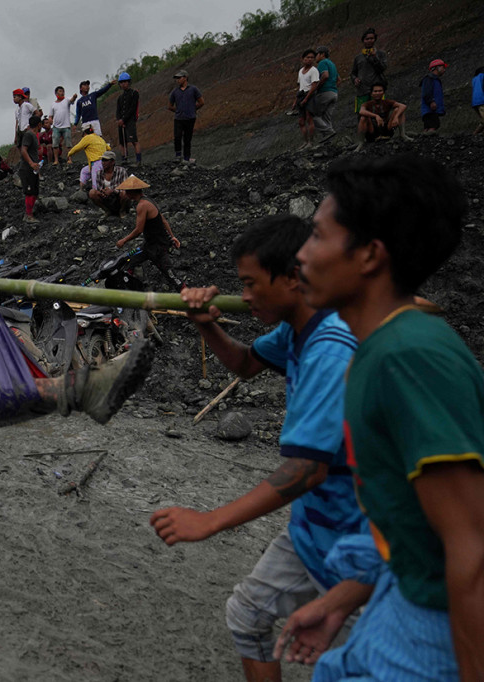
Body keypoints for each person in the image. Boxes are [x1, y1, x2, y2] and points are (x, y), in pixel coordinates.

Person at [277, 154, 483, 681]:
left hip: (434, 628)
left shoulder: (409, 359)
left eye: (317, 237)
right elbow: (420, 527)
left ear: (369, 255)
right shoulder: (378, 346)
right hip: (404, 592)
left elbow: (472, 548)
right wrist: (344, 601)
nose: (300, 255)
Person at [152, 214, 365, 682]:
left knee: (360, 661)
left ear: (293, 277)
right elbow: (246, 364)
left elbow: (305, 470)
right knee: (249, 616)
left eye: (249, 284)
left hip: (365, 540)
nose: (244, 296)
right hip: (315, 530)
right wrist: (205, 324)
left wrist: (209, 521)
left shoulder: (332, 349)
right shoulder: (296, 330)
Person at [113, 176, 183, 290]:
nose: (124, 193)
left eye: (126, 191)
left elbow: (139, 230)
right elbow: (163, 220)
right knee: (130, 262)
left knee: (171, 276)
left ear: (131, 192)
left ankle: (189, 297)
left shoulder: (142, 205)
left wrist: (124, 240)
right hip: (149, 245)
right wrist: (172, 237)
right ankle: (133, 289)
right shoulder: (148, 200)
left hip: (157, 247)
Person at [355, 84, 410, 150]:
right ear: (371, 93)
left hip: (386, 130)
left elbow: (403, 106)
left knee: (398, 110)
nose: (377, 93)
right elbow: (361, 111)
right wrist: (376, 116)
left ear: (383, 92)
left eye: (380, 91)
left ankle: (402, 134)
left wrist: (396, 117)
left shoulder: (387, 102)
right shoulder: (367, 104)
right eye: (375, 91)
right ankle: (360, 142)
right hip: (372, 132)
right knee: (363, 117)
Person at [167, 70, 204, 163]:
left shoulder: (193, 89)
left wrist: (192, 108)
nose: (177, 80)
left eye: (179, 78)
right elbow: (170, 106)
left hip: (190, 118)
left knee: (187, 138)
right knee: (177, 136)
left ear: (185, 77)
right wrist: (178, 110)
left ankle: (187, 158)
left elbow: (201, 102)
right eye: (177, 78)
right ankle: (178, 156)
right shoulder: (175, 92)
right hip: (178, 118)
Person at [350, 28, 387, 116]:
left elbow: (382, 68)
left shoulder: (381, 54)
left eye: (372, 38)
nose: (369, 41)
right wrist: (355, 79)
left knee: (380, 114)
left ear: (375, 40)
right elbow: (353, 73)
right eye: (367, 39)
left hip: (377, 91)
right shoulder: (358, 57)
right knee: (362, 115)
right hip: (362, 90)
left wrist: (375, 58)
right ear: (363, 40)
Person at [307, 46, 339, 144]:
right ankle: (329, 142)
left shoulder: (322, 63)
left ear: (322, 54)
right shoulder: (332, 64)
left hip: (324, 92)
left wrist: (317, 87)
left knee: (314, 115)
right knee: (326, 118)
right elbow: (339, 80)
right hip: (334, 93)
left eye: (316, 55)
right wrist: (332, 87)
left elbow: (325, 75)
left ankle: (329, 132)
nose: (315, 58)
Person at [67, 123, 111, 190]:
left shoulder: (87, 138)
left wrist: (69, 154)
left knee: (96, 187)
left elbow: (77, 147)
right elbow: (108, 148)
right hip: (105, 163)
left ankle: (95, 195)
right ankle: (81, 189)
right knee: (84, 171)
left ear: (85, 132)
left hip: (96, 163)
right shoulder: (99, 138)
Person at [87, 151, 130, 216]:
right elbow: (99, 188)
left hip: (118, 198)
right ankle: (107, 210)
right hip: (107, 198)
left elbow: (126, 187)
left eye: (106, 160)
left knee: (125, 193)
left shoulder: (121, 171)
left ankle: (122, 211)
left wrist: (112, 191)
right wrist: (103, 192)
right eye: (102, 160)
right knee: (92, 192)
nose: (103, 163)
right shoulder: (99, 173)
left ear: (112, 162)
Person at [18, 115, 42, 223]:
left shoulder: (33, 135)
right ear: (39, 125)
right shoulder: (29, 135)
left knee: (35, 191)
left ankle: (30, 212)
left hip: (33, 169)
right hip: (27, 168)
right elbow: (23, 150)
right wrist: (31, 163)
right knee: (30, 192)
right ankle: (28, 215)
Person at [115, 72, 142, 165]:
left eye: (125, 82)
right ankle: (124, 159)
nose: (123, 84)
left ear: (129, 82)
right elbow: (118, 110)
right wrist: (118, 119)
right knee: (122, 142)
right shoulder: (120, 97)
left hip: (130, 120)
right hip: (121, 122)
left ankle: (138, 160)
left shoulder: (134, 93)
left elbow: (133, 108)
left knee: (134, 140)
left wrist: (124, 119)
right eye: (121, 82)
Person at [296, 50, 319, 149]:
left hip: (309, 95)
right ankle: (305, 141)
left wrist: (306, 98)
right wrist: (295, 101)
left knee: (309, 118)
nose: (310, 59)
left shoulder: (314, 70)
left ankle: (311, 141)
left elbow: (314, 86)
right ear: (303, 59)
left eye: (312, 58)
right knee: (301, 121)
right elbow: (299, 86)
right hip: (301, 95)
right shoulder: (300, 71)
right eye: (308, 57)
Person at [49, 86, 77, 163]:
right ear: (56, 93)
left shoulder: (66, 100)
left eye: (63, 91)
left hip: (66, 126)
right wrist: (50, 120)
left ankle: (70, 159)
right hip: (56, 126)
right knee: (55, 144)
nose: (62, 93)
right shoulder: (53, 104)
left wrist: (74, 97)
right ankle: (56, 160)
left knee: (68, 144)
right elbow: (50, 116)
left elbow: (72, 100)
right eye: (60, 91)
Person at [420, 58, 448, 134]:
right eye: (443, 67)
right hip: (430, 110)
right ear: (437, 68)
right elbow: (426, 92)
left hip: (430, 110)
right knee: (433, 125)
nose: (444, 69)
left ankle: (425, 140)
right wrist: (431, 102)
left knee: (428, 126)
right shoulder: (429, 79)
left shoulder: (434, 80)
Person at [472, 66, 484, 135]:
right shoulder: (483, 77)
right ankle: (475, 134)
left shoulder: (474, 79)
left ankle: (476, 133)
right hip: (482, 101)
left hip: (475, 102)